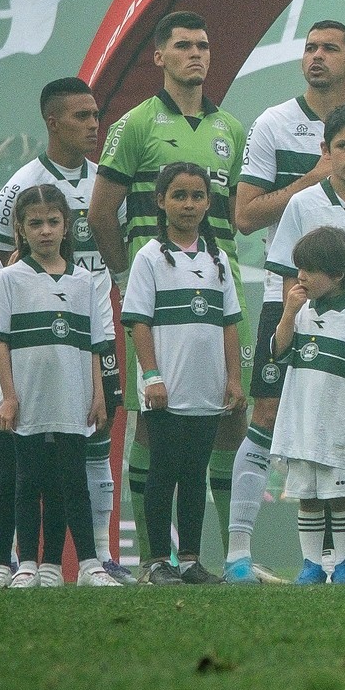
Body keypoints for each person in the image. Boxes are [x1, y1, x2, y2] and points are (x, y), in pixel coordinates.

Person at [232, 22, 345, 581]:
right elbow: (247, 215)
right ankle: (237, 553)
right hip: (293, 308)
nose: (317, 57)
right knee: (269, 415)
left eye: (330, 49)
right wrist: (312, 177)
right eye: (310, 48)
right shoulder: (273, 124)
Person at [89, 10, 246, 570]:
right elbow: (100, 210)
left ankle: (235, 560)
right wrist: (124, 273)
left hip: (217, 289)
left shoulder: (230, 127)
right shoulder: (134, 125)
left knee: (230, 417)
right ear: (159, 56)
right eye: (183, 46)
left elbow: (240, 215)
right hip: (157, 297)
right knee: (154, 426)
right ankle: (154, 558)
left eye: (203, 45)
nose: (195, 55)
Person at [0, 78, 128, 583]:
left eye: (96, 115)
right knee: (26, 459)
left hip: (90, 331)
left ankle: (99, 558)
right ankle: (26, 560)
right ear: (52, 122)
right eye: (82, 116)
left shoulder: (107, 183)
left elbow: (118, 258)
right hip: (33, 343)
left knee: (94, 441)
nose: (94, 125)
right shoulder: (19, 187)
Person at [123, 162, 243, 585]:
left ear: (209, 203)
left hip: (206, 390)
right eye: (179, 196)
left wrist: (232, 379)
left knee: (195, 475)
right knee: (164, 471)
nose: (189, 204)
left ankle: (190, 559)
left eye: (197, 196)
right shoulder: (150, 257)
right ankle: (156, 561)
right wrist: (151, 375)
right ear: (161, 201)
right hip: (165, 390)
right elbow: (138, 322)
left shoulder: (218, 259)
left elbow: (229, 323)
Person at [270, 226, 345, 585]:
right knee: (308, 498)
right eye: (299, 268)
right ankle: (312, 565)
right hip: (300, 423)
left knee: (341, 496)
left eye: (310, 270)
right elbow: (279, 350)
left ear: (338, 274)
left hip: (338, 424)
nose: (301, 276)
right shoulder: (300, 312)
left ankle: (344, 563)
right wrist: (287, 313)